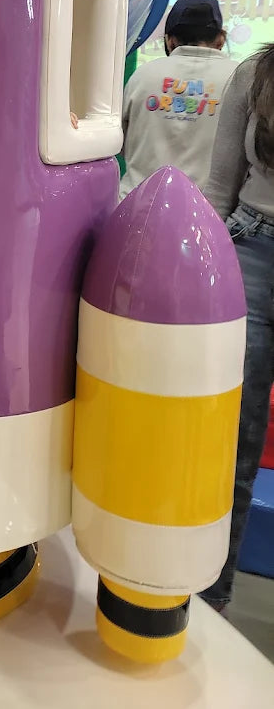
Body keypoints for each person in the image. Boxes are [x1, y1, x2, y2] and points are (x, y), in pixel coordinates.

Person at [200, 45, 274, 613]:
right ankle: (212, 597)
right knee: (233, 443)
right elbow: (219, 187)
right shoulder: (256, 73)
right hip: (251, 246)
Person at [119, 0, 236, 199]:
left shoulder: (143, 75)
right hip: (206, 211)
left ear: (170, 41)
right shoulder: (239, 78)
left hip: (137, 204)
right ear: (220, 39)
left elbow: (119, 141)